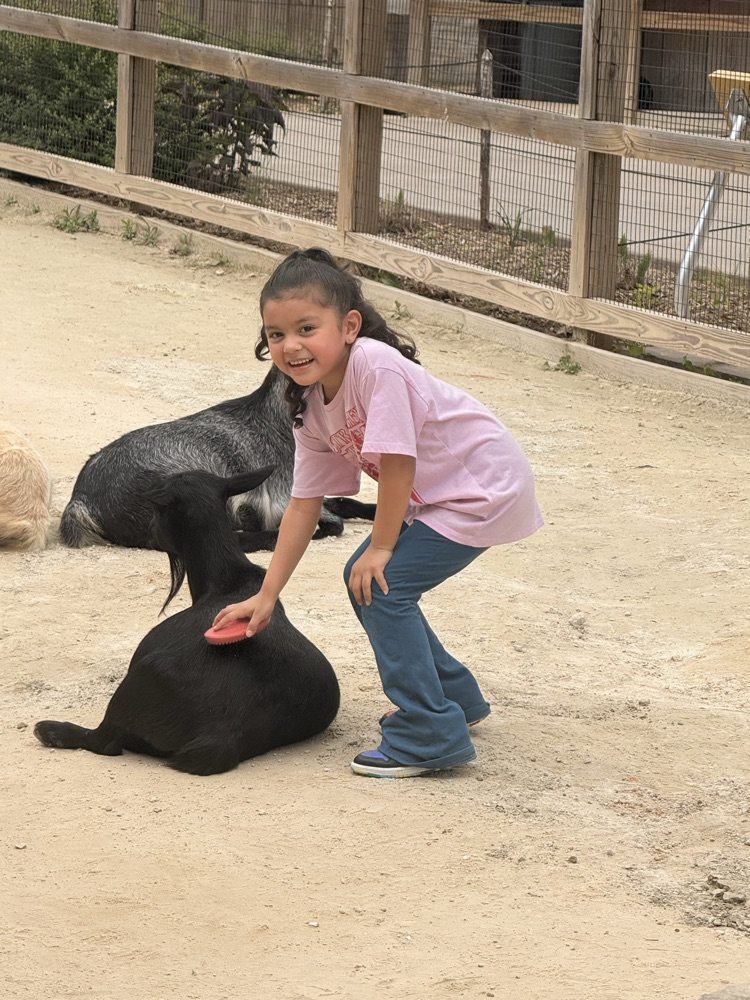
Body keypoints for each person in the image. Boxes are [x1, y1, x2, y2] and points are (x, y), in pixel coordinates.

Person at [212, 247, 543, 778]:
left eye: (306, 328)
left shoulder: (375, 364)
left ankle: (428, 731)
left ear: (349, 326)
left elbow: (397, 465)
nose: (290, 345)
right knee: (362, 576)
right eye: (276, 334)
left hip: (481, 488)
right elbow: (303, 504)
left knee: (382, 583)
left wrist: (383, 547)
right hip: (439, 496)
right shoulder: (309, 403)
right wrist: (266, 595)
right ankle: (455, 698)